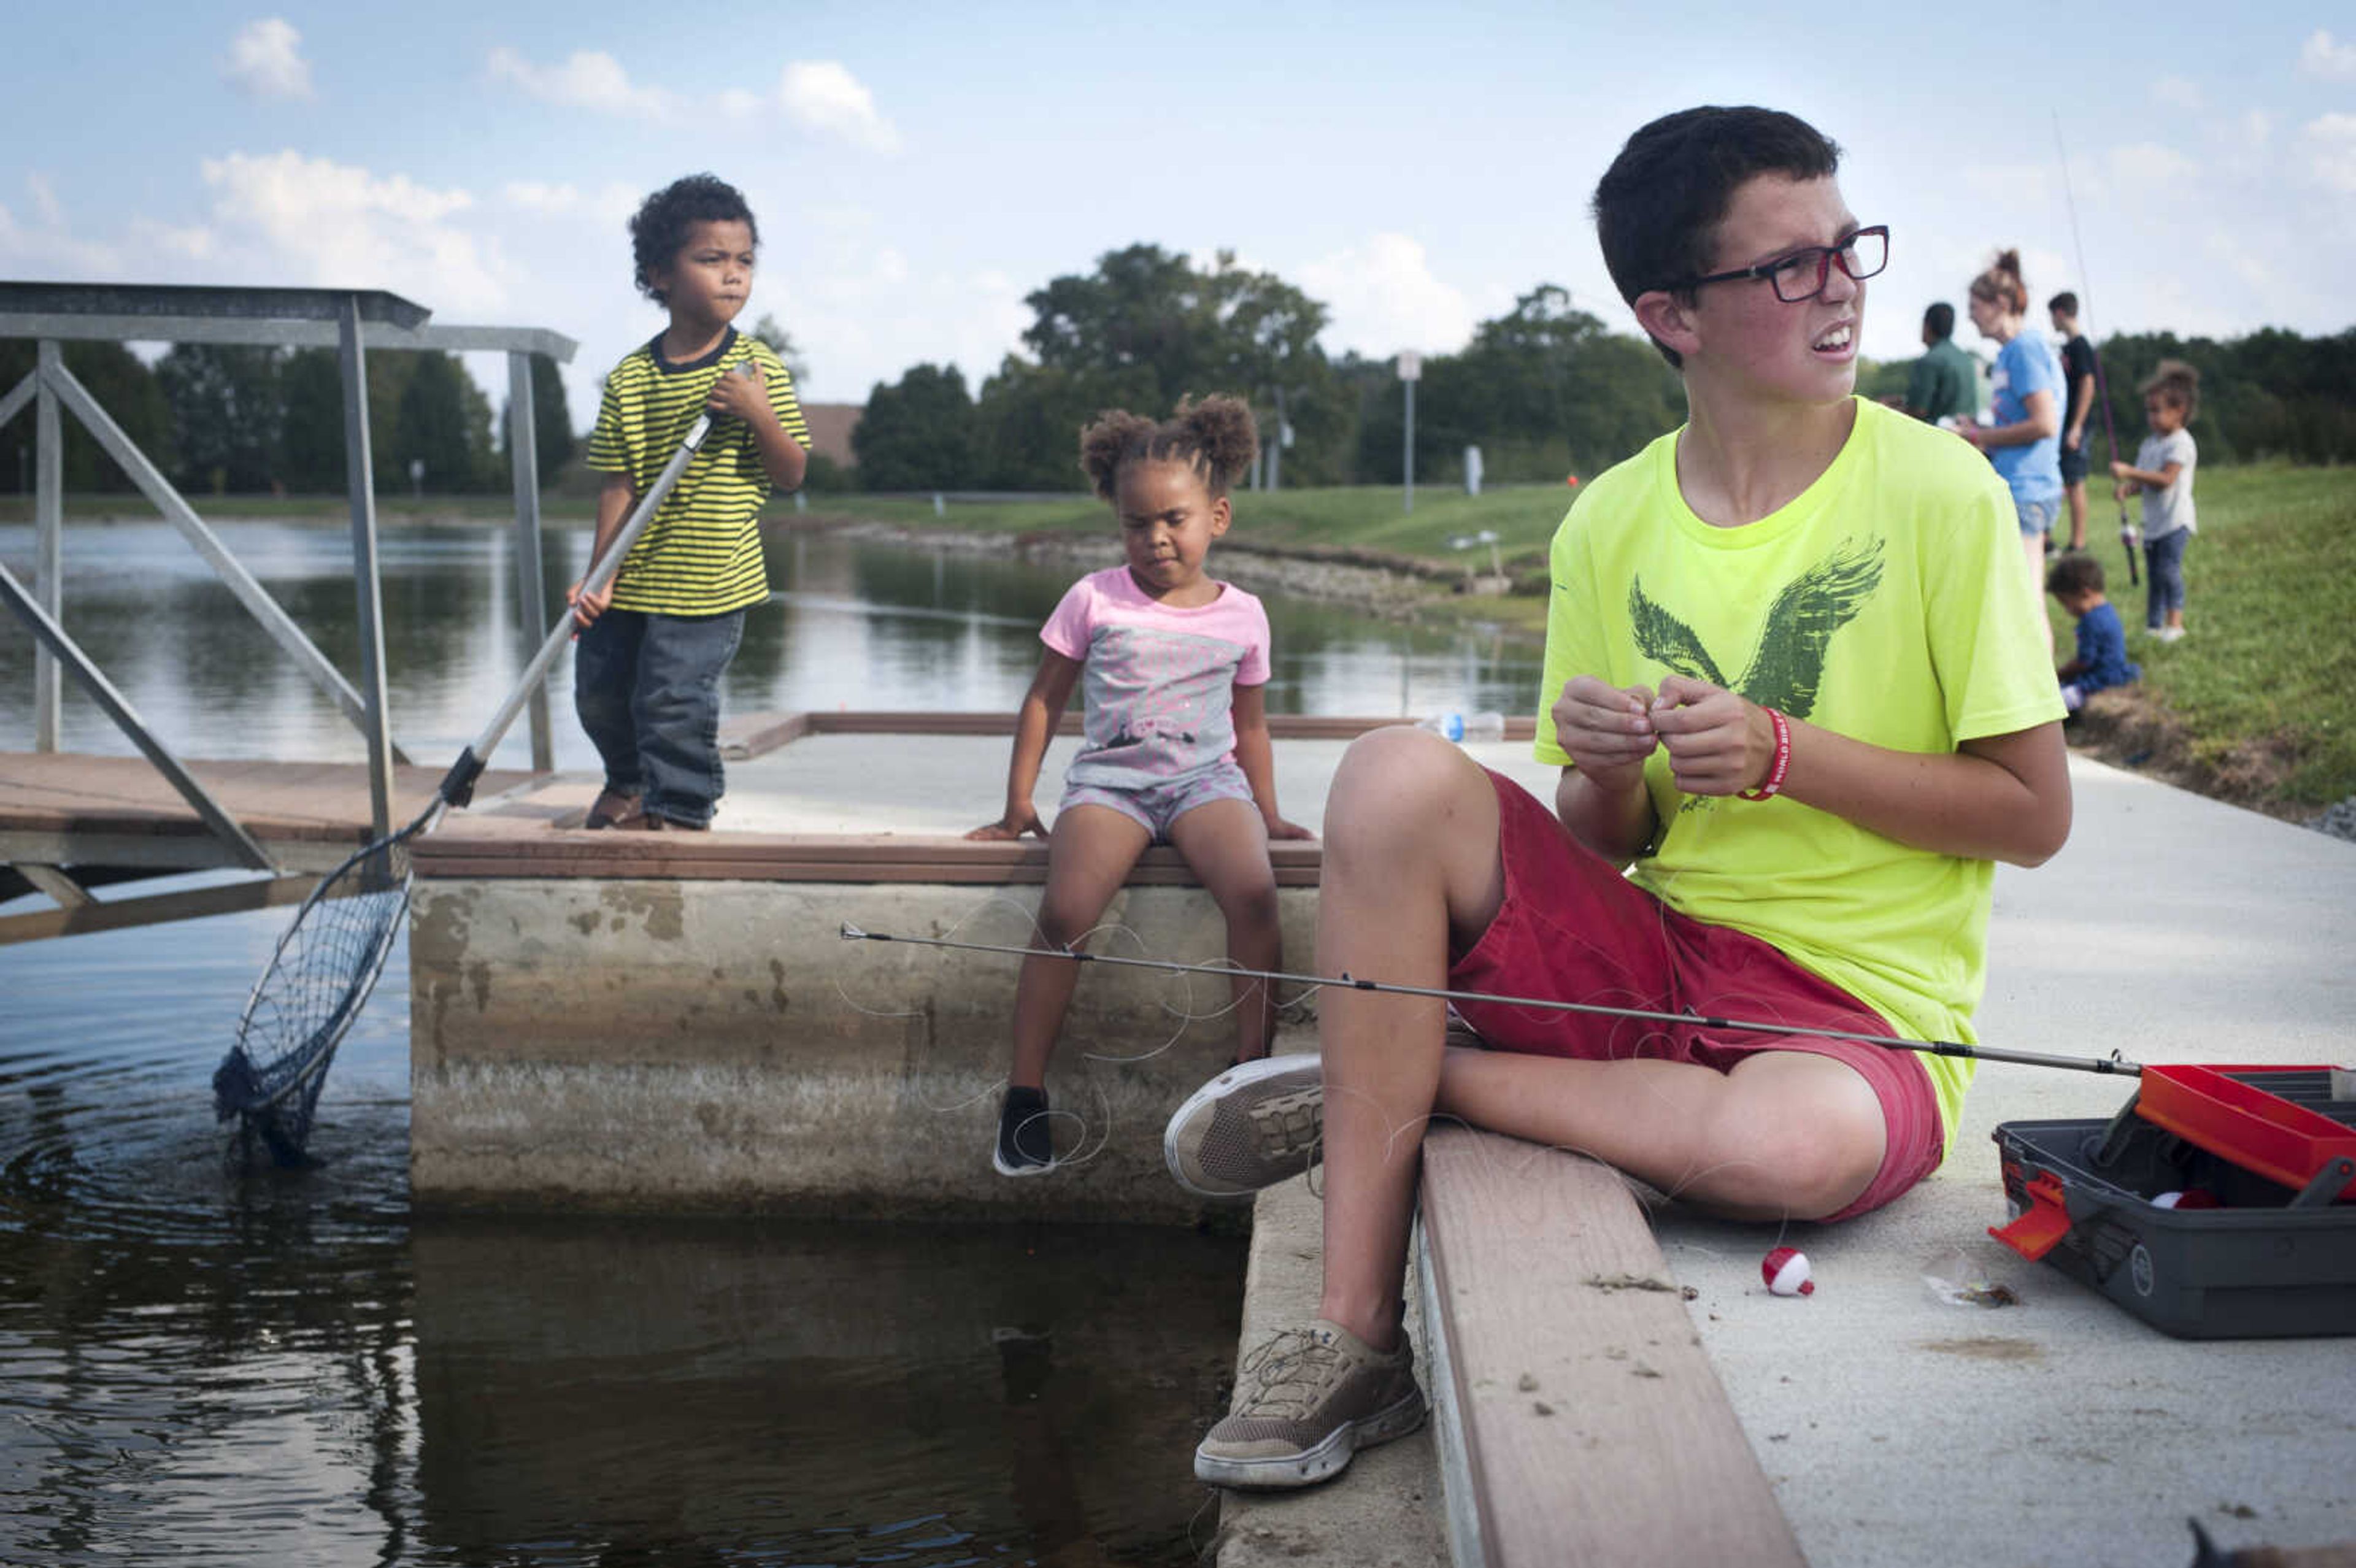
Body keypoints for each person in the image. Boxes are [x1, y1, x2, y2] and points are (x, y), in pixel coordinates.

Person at [1163, 105, 2069, 1493]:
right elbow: (1610, 841)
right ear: (1671, 313)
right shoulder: (1611, 519)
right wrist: (1597, 769)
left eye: (1847, 248)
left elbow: (2030, 812)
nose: (1839, 285)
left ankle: (1396, 1078)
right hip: (1646, 968)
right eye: (1788, 265)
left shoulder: (1941, 493)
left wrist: (1785, 751)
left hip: (1857, 1016)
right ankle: (1349, 1339)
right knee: (1393, 768)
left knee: (1787, 1150)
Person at [968, 396, 1312, 1177]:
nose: (1155, 538)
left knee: (1255, 894)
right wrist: (1020, 802)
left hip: (1206, 783)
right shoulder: (1093, 599)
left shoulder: (1244, 615)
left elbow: (1250, 725)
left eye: (1174, 519)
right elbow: (1044, 700)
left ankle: (1248, 1076)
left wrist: (1270, 812)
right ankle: (1024, 1097)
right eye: (1135, 523)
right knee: (1067, 909)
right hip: (1112, 788)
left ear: (1216, 516)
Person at [572, 174, 810, 831]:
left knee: (674, 699)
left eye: (744, 261)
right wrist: (599, 577)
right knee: (599, 694)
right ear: (661, 275)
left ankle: (678, 808)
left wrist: (759, 413)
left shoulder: (757, 368)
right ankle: (626, 781)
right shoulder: (630, 377)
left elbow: (790, 472)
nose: (733, 277)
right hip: (634, 573)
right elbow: (618, 484)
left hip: (708, 581)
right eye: (711, 260)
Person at [1957, 250, 2064, 656]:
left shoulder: (2025, 350)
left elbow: (2044, 423)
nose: (1970, 317)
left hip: (2028, 488)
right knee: (2015, 598)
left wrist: (1980, 437)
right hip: (2017, 486)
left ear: (2000, 304)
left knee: (2025, 599)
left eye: (1975, 308)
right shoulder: (2011, 353)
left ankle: (2046, 708)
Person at [2112, 359, 2201, 642]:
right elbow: (2145, 481)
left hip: (2175, 521)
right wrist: (2129, 488)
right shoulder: (2150, 444)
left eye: (2157, 411)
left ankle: (2175, 624)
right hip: (2153, 523)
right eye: (2148, 411)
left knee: (2168, 571)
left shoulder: (2181, 443)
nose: (2151, 417)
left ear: (2180, 411)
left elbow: (2165, 480)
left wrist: (2129, 471)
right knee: (2154, 576)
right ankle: (2153, 626)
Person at [2047, 553, 2138, 713]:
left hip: (2102, 677)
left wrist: (2058, 675)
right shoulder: (2107, 610)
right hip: (2111, 671)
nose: (2066, 610)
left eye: (2066, 602)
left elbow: (2084, 662)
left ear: (2085, 593)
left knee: (2056, 701)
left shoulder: (2091, 621)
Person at [2049, 293, 2100, 552]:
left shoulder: (2080, 346)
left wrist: (2077, 426)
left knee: (2075, 480)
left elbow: (2088, 384)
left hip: (2076, 426)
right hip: (2065, 425)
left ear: (2059, 313)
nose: (2052, 322)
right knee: (2064, 479)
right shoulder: (2067, 348)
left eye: (2052, 316)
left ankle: (2078, 543)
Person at [1903, 302, 1979, 425]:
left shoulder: (1929, 361)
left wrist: (1884, 408)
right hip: (1964, 437)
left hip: (1935, 437)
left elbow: (1918, 411)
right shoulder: (1967, 360)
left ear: (1927, 326)